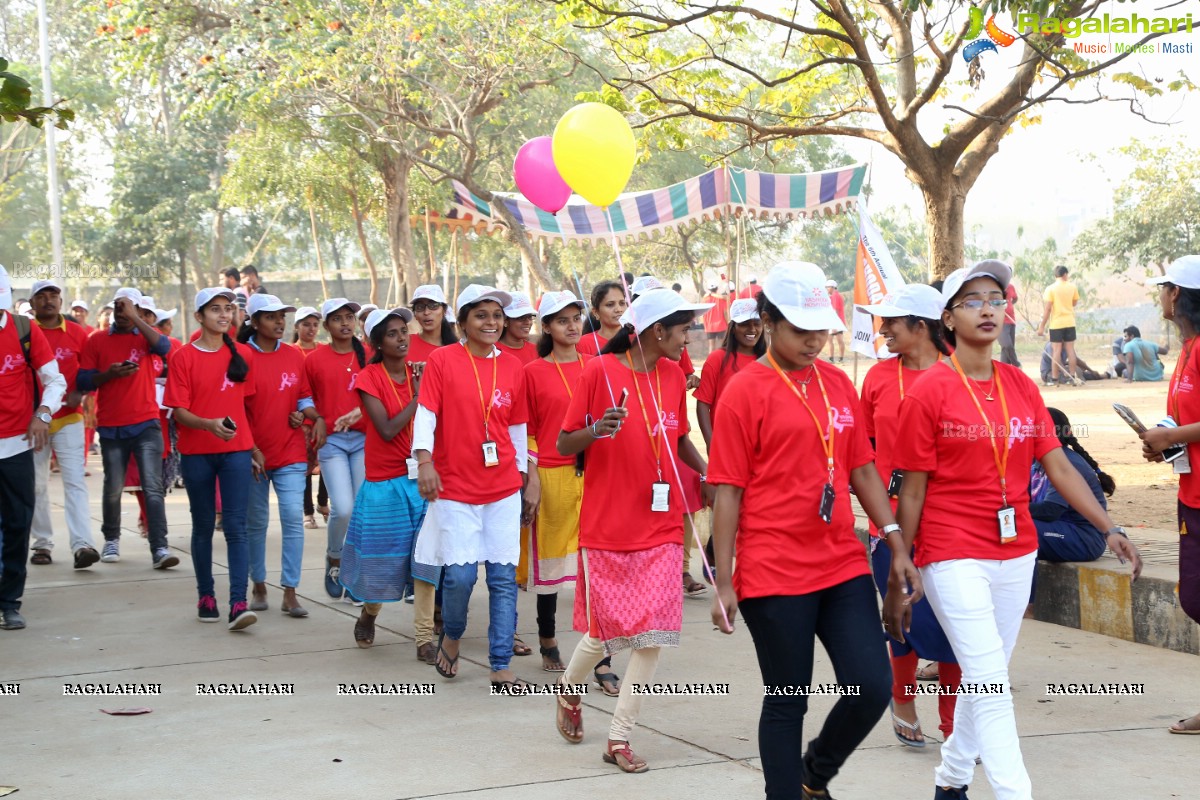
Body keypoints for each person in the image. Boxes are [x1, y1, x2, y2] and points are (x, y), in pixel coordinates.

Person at [885, 260, 1141, 800]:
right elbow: (911, 489)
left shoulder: (1021, 386)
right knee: (991, 682)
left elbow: (1060, 466)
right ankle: (1013, 792)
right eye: (973, 300)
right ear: (947, 319)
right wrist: (900, 565)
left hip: (1015, 550)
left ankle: (951, 779)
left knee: (987, 674)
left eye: (996, 299)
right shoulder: (928, 391)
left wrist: (1108, 526)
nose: (987, 308)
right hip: (952, 552)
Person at [708, 262, 892, 800]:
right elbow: (729, 492)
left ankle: (815, 773)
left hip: (841, 561)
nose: (815, 340)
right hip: (773, 567)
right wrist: (724, 579)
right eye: (800, 328)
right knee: (788, 697)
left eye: (822, 328)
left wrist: (894, 535)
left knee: (872, 686)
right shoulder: (745, 390)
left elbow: (860, 470)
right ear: (766, 321)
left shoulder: (838, 383)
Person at [553, 288, 713, 772]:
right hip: (608, 525)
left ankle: (618, 738)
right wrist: (598, 429)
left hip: (662, 525)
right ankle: (567, 692)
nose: (689, 338)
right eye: (684, 329)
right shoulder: (597, 372)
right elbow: (564, 442)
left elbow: (677, 436)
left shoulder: (671, 376)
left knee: (652, 635)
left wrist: (708, 474)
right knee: (606, 633)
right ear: (657, 331)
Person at [856, 283, 962, 748]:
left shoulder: (959, 375)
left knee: (957, 623)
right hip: (892, 520)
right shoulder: (878, 378)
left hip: (951, 519)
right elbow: (859, 451)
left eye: (891, 324)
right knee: (899, 613)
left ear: (922, 327)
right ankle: (903, 698)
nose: (882, 332)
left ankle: (955, 725)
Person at [411, 284, 530, 691]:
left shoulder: (513, 366)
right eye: (481, 315)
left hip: (502, 488)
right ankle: (454, 633)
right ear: (461, 323)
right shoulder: (443, 360)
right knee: (460, 578)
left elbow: (516, 427)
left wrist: (523, 479)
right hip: (455, 487)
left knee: (502, 576)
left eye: (497, 315)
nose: (491, 323)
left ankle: (499, 661)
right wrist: (424, 461)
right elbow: (425, 415)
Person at [165, 287, 263, 630]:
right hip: (197, 455)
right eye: (216, 310)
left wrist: (251, 449)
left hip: (235, 453)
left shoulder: (242, 357)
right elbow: (178, 411)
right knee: (204, 525)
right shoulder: (183, 357)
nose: (224, 315)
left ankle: (238, 603)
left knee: (237, 527)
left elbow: (244, 409)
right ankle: (206, 596)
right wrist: (208, 424)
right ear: (199, 317)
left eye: (228, 309)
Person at [343, 307, 437, 660]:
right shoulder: (369, 377)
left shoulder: (421, 372)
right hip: (384, 484)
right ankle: (370, 612)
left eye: (404, 331)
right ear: (377, 342)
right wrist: (419, 397)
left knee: (426, 562)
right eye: (393, 333)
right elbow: (386, 429)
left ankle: (424, 638)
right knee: (385, 564)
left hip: (422, 479)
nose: (402, 338)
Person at [78, 288, 177, 569]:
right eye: (119, 308)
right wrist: (109, 374)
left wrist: (137, 317)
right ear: (112, 309)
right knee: (113, 487)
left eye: (129, 308)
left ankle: (159, 547)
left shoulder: (146, 338)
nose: (123, 313)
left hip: (146, 424)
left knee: (153, 487)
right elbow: (84, 380)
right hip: (111, 427)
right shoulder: (96, 340)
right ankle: (111, 539)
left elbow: (165, 348)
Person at [1142, 255, 1200, 734]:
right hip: (1191, 492)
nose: (1159, 294)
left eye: (1163, 287)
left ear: (1176, 294)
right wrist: (1165, 442)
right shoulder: (1186, 349)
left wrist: (1171, 435)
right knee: (1196, 599)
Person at [521, 291, 589, 672]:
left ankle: (598, 650)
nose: (571, 325)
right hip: (550, 474)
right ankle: (547, 637)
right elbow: (528, 431)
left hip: (594, 475)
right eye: (562, 320)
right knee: (549, 567)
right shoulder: (532, 372)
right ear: (546, 326)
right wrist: (531, 478)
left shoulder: (595, 366)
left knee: (594, 563)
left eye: (576, 317)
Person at [240, 294, 320, 617]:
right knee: (256, 522)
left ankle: (290, 591)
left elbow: (303, 398)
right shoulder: (242, 356)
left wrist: (307, 416)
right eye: (271, 317)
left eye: (281, 316)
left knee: (292, 519)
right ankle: (258, 584)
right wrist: (250, 449)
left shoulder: (293, 356)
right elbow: (235, 407)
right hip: (252, 455)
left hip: (290, 452)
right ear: (255, 321)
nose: (278, 322)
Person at [0, 265, 66, 629]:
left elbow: (55, 380)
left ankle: (9, 601)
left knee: (17, 523)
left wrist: (43, 412)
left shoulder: (25, 331)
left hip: (16, 445)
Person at [28, 280, 100, 569]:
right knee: (36, 486)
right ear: (32, 303)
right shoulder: (24, 333)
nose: (48, 301)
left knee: (74, 483)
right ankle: (42, 544)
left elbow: (89, 372)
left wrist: (81, 394)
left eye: (54, 295)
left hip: (69, 419)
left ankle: (82, 545)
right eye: (42, 296)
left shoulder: (78, 333)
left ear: (61, 301)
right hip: (32, 423)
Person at [304, 298, 367, 600]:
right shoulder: (314, 359)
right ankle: (335, 557)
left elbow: (382, 395)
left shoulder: (368, 355)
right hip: (331, 441)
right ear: (326, 325)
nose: (345, 323)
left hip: (365, 440)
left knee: (361, 511)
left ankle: (354, 574)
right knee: (343, 508)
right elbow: (305, 399)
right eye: (337, 318)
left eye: (350, 317)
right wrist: (314, 417)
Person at [1031, 407, 1116, 565]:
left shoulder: (1066, 463)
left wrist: (1015, 510)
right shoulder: (1036, 461)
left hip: (1082, 538)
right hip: (1058, 528)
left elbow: (1051, 511)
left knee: (1016, 529)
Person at [291, 307, 324, 530]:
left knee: (327, 463)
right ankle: (308, 511)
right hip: (301, 418)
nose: (311, 329)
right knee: (304, 467)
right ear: (296, 327)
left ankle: (323, 502)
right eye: (306, 324)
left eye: (314, 324)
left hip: (323, 415)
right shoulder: (291, 352)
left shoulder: (323, 350)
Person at [1036, 265, 1080, 385]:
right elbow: (1074, 303)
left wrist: (1042, 326)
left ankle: (1055, 378)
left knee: (1056, 350)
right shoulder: (1072, 287)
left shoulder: (1051, 289)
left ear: (1056, 276)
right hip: (1070, 322)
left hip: (1056, 324)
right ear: (1065, 274)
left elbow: (1048, 309)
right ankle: (1072, 377)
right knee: (1070, 350)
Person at [409, 285, 458, 364]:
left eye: (433, 306)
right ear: (415, 314)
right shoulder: (405, 344)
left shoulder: (457, 350)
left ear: (444, 311)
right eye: (420, 307)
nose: (426, 312)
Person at [576, 280, 626, 357]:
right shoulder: (583, 343)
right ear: (596, 312)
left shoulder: (637, 339)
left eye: (622, 303)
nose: (619, 309)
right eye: (610, 305)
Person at [498, 291, 538, 365]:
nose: (528, 322)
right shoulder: (492, 351)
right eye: (521, 318)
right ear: (505, 321)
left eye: (529, 317)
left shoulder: (537, 351)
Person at [700, 282, 729, 355]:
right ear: (717, 289)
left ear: (708, 289)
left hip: (709, 326)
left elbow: (702, 314)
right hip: (721, 325)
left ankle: (710, 362)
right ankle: (722, 360)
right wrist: (728, 322)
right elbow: (725, 313)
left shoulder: (705, 299)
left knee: (711, 346)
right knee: (722, 346)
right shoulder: (721, 299)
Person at [1000, 280, 1021, 367]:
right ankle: (1017, 365)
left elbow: (1015, 298)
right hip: (1000, 322)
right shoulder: (996, 287)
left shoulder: (1011, 286)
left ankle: (1004, 371)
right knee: (1007, 345)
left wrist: (1009, 304)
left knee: (1007, 349)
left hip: (1011, 321)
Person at [825, 279, 846, 363]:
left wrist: (834, 324)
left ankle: (841, 358)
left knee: (839, 340)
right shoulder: (831, 296)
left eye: (828, 287)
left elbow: (836, 310)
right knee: (830, 340)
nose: (826, 289)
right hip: (832, 321)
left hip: (837, 322)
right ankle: (831, 358)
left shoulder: (836, 296)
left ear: (832, 287)